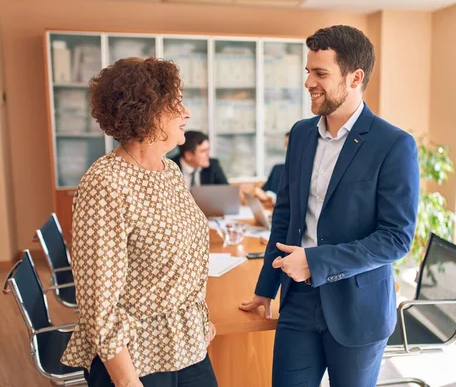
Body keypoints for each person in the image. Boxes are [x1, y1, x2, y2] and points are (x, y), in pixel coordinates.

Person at [240, 25, 420, 387]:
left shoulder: (394, 144)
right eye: (308, 71)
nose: (309, 82)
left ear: (355, 78)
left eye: (321, 73)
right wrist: (265, 287)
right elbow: (287, 217)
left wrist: (316, 261)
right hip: (298, 302)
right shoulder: (302, 134)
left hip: (358, 308)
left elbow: (396, 239)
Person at [61, 58, 218, 387]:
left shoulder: (170, 171)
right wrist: (128, 381)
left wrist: (197, 320)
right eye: (174, 102)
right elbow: (97, 304)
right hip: (135, 357)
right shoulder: (105, 184)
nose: (186, 111)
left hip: (187, 346)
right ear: (146, 112)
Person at [254, 132, 289, 204]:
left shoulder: (303, 173)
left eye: (291, 145)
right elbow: (263, 190)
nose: (288, 148)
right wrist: (259, 192)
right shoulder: (277, 168)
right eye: (286, 145)